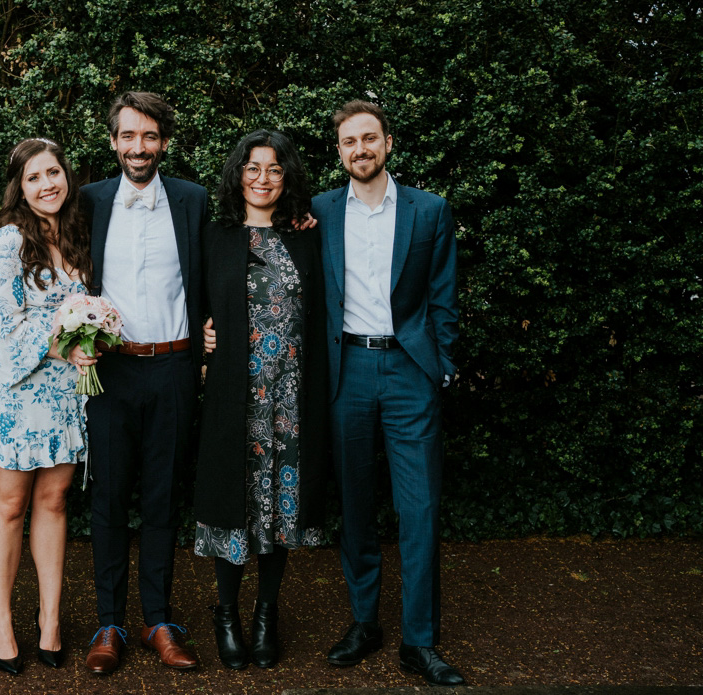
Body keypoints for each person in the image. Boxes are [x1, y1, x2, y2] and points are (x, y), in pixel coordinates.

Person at [310, 100, 464, 685]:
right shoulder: (320, 211)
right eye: (349, 142)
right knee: (354, 505)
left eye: (369, 139)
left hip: (409, 372)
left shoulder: (428, 211)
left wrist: (440, 364)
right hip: (346, 369)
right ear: (340, 151)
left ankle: (419, 642)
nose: (360, 150)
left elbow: (444, 295)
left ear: (389, 143)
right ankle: (365, 623)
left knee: (419, 509)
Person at [79, 91, 207, 674]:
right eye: (128, 136)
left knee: (161, 496)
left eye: (150, 136)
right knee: (107, 496)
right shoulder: (87, 201)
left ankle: (159, 620)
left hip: (176, 367)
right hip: (108, 370)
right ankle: (110, 622)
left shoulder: (193, 200)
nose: (139, 147)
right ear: (112, 140)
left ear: (164, 142)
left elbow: (236, 251)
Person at [0, 138, 95, 675]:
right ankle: (1, 621)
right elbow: (1, 332)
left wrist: (92, 336)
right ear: (20, 186)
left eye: (54, 173)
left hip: (64, 393)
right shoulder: (6, 243)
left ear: (66, 177)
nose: (47, 185)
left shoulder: (79, 237)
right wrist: (66, 336)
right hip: (16, 393)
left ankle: (51, 620)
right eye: (35, 177)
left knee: (56, 501)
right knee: (10, 506)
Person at [194, 130, 328, 671]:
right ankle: (226, 614)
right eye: (253, 168)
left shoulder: (306, 236)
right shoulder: (215, 236)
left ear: (287, 177)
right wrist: (204, 332)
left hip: (292, 398)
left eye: (274, 169)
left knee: (280, 507)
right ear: (237, 174)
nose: (263, 179)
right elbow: (196, 303)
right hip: (234, 396)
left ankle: (267, 613)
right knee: (235, 502)